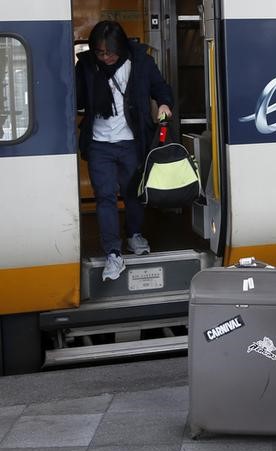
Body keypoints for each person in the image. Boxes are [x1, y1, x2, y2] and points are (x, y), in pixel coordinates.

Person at [76, 21, 173, 281]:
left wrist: (164, 104)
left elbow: (160, 88)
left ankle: (133, 235)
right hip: (99, 143)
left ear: (122, 48)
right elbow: (75, 99)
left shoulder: (141, 62)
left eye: (110, 52)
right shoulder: (86, 64)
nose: (105, 57)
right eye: (100, 53)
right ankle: (113, 253)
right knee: (105, 196)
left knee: (133, 193)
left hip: (131, 140)